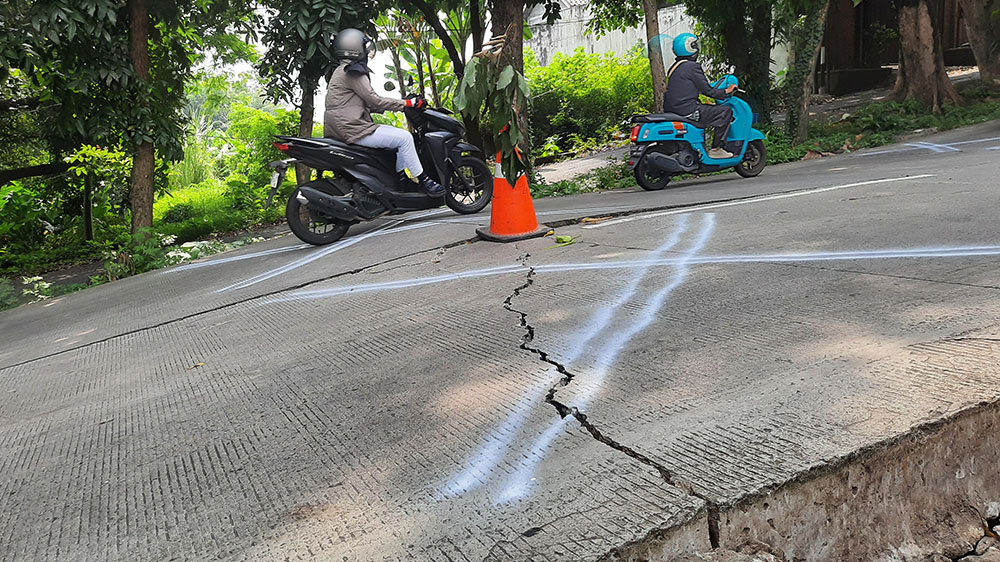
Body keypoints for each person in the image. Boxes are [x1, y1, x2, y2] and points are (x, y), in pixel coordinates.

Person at [324, 28, 444, 196]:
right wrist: (407, 103)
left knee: (399, 139)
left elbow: (367, 104)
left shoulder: (341, 71)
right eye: (365, 48)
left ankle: (401, 180)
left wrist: (396, 106)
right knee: (405, 138)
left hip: (343, 127)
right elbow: (374, 100)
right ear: (356, 49)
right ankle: (424, 181)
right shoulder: (353, 73)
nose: (368, 53)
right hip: (352, 128)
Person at [662, 33, 738, 159]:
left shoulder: (674, 67)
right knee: (725, 112)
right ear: (690, 47)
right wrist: (727, 91)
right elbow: (708, 91)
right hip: (688, 110)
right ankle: (716, 149)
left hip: (674, 110)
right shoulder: (692, 67)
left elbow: (686, 89)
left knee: (708, 110)